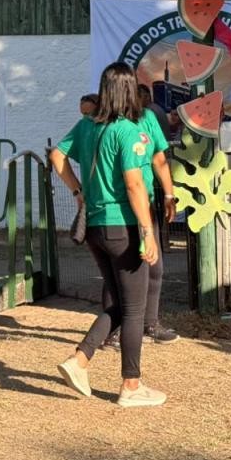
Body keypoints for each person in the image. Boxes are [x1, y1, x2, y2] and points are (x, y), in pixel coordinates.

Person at [49, 61, 166, 408]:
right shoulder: (127, 131)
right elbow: (134, 185)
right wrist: (148, 232)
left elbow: (56, 155)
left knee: (118, 304)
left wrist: (77, 191)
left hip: (95, 227)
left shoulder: (87, 126)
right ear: (130, 91)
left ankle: (80, 359)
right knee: (134, 310)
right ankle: (131, 385)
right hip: (123, 226)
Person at [98, 87, 180, 350]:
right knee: (119, 273)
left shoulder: (147, 118)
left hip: (146, 204)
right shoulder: (108, 123)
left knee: (154, 267)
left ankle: (150, 324)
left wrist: (169, 194)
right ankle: (112, 332)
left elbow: (159, 158)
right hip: (119, 209)